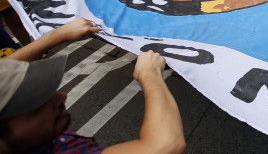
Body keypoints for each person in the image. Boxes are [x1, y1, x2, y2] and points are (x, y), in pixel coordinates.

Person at [0, 18, 186, 154]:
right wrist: (150, 75)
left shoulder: (23, 139)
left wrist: (55, 36)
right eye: (36, 106)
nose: (62, 96)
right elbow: (163, 145)